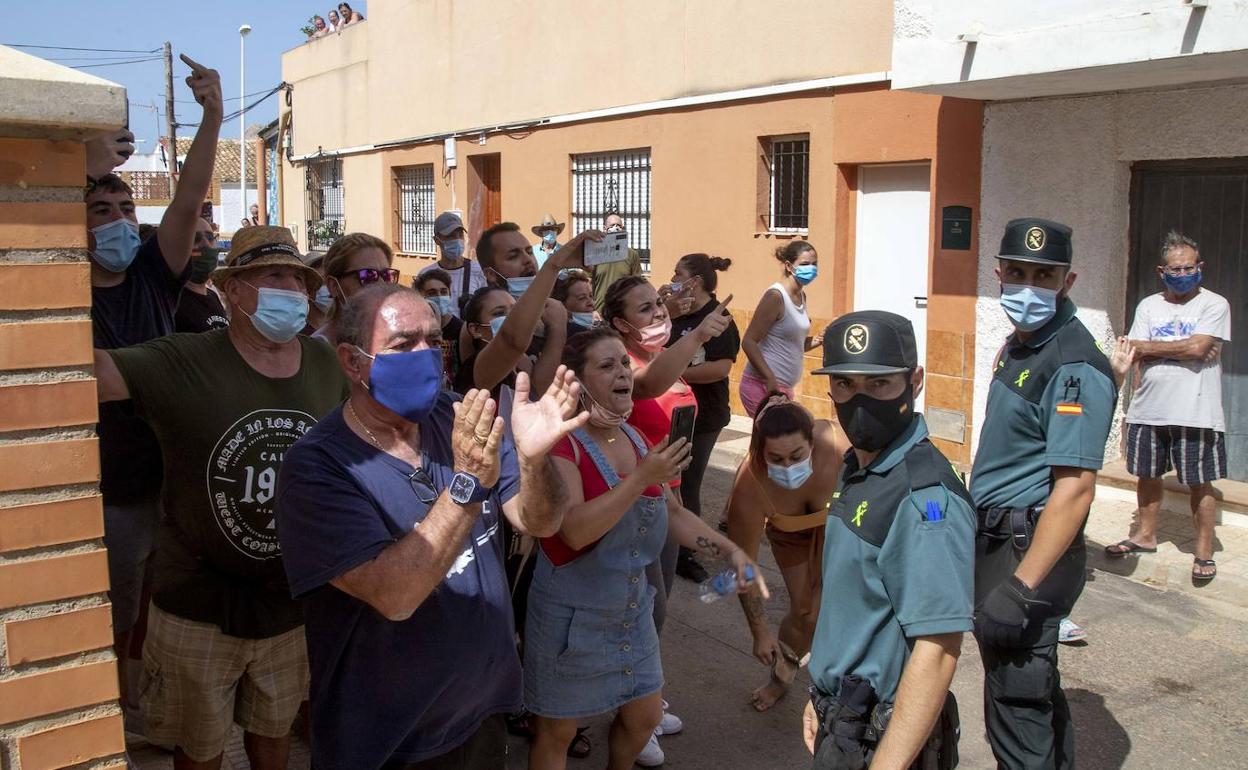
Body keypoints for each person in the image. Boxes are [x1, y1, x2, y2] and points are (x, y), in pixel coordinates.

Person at [274, 283, 584, 770]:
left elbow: (539, 522)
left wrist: (532, 459)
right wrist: (466, 485)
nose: (425, 356)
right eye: (403, 345)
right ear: (354, 363)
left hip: (481, 712)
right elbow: (395, 596)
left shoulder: (455, 413)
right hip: (388, 739)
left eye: (432, 341)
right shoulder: (318, 467)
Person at [92, 226, 349, 770]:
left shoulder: (325, 364)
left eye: (299, 279)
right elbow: (93, 374)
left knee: (274, 734)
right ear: (231, 290)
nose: (292, 288)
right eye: (273, 275)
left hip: (290, 601)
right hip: (197, 604)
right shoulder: (181, 359)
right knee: (200, 747)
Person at [526, 327, 768, 770]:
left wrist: (728, 550)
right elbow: (574, 532)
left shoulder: (635, 439)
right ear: (577, 383)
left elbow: (673, 513)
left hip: (631, 610)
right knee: (557, 731)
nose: (623, 372)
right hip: (572, 616)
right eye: (607, 366)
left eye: (624, 362)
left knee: (643, 717)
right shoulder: (562, 445)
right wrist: (640, 478)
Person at [88, 53, 221, 720]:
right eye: (98, 207)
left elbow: (191, 192)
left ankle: (144, 707)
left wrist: (214, 115)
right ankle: (109, 718)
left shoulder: (150, 272)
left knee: (156, 605)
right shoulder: (53, 288)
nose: (115, 218)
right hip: (107, 487)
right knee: (107, 615)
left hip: (167, 479)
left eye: (123, 205)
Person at [970, 218, 1116, 770]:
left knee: (1016, 702)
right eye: (1018, 272)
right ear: (999, 273)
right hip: (1001, 537)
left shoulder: (1072, 363)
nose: (1029, 287)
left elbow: (1075, 489)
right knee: (1030, 697)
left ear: (1068, 280)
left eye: (1045, 276)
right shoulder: (1026, 343)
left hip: (1026, 549)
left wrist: (1020, 585)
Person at [802, 311, 974, 769]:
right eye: (845, 384)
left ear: (915, 381)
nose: (859, 400)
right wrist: (820, 694)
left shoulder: (923, 497)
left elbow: (937, 649)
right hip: (843, 718)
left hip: (883, 739)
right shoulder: (858, 467)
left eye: (879, 385)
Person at [1106, 230, 1231, 582]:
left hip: (1197, 409)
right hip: (1149, 407)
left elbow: (1198, 348)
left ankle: (1204, 551)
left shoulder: (1215, 304)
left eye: (1188, 267)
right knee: (1147, 474)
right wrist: (1179, 346)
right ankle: (1145, 535)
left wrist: (1151, 346)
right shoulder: (1148, 305)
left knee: (1200, 482)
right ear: (1162, 271)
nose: (1182, 274)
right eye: (1174, 270)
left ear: (1199, 266)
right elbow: (1133, 350)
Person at [726, 395, 847, 711]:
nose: (789, 467)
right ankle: (781, 677)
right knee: (806, 612)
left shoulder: (838, 444)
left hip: (841, 522)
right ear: (759, 452)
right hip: (790, 535)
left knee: (849, 601)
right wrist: (760, 631)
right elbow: (745, 565)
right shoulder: (750, 485)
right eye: (776, 460)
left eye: (797, 455)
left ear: (812, 441)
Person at [665, 253, 741, 582]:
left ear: (695, 281)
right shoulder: (675, 313)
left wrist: (671, 371)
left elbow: (721, 368)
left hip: (704, 415)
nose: (672, 277)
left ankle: (685, 552)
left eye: (678, 273)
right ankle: (665, 542)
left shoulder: (719, 318)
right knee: (666, 481)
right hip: (668, 410)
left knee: (688, 483)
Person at [740, 241, 822, 417]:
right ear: (789, 266)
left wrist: (820, 339)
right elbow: (749, 341)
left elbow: (795, 344)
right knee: (775, 441)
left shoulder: (802, 296)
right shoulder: (775, 296)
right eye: (805, 264)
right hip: (762, 386)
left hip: (784, 389)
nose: (811, 269)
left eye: (814, 264)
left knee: (773, 443)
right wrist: (770, 378)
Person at [317, 232, 400, 341]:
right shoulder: (318, 350)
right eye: (368, 275)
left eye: (386, 275)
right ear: (333, 286)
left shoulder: (398, 337)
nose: (381, 284)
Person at [418, 211, 488, 319]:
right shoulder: (426, 274)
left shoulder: (478, 271)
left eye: (460, 235)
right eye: (450, 236)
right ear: (437, 240)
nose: (457, 240)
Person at [174, 218, 229, 333]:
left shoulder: (212, 295)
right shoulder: (171, 302)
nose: (206, 244)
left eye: (210, 238)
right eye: (195, 239)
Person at [415, 268, 464, 387]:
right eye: (432, 293)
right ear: (420, 296)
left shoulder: (462, 329)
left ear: (450, 294)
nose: (439, 297)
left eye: (443, 292)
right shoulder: (416, 329)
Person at [590, 213, 643, 313]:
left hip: (623, 312)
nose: (616, 228)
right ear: (605, 229)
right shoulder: (595, 253)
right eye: (612, 226)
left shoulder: (631, 255)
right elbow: (588, 283)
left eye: (619, 226)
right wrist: (591, 310)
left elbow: (637, 283)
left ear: (623, 229)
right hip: (599, 312)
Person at [553, 268, 596, 337]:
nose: (591, 303)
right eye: (582, 298)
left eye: (591, 296)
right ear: (562, 304)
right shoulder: (564, 336)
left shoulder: (599, 329)